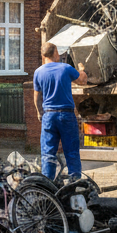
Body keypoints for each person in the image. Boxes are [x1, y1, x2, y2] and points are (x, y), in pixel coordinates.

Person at [33, 42, 82, 179]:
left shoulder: (38, 72)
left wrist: (39, 112)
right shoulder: (66, 68)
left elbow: (36, 95)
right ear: (55, 53)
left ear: (43, 55)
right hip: (66, 115)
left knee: (48, 153)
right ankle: (75, 185)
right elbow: (82, 80)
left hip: (48, 115)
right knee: (71, 152)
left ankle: (48, 187)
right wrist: (82, 69)